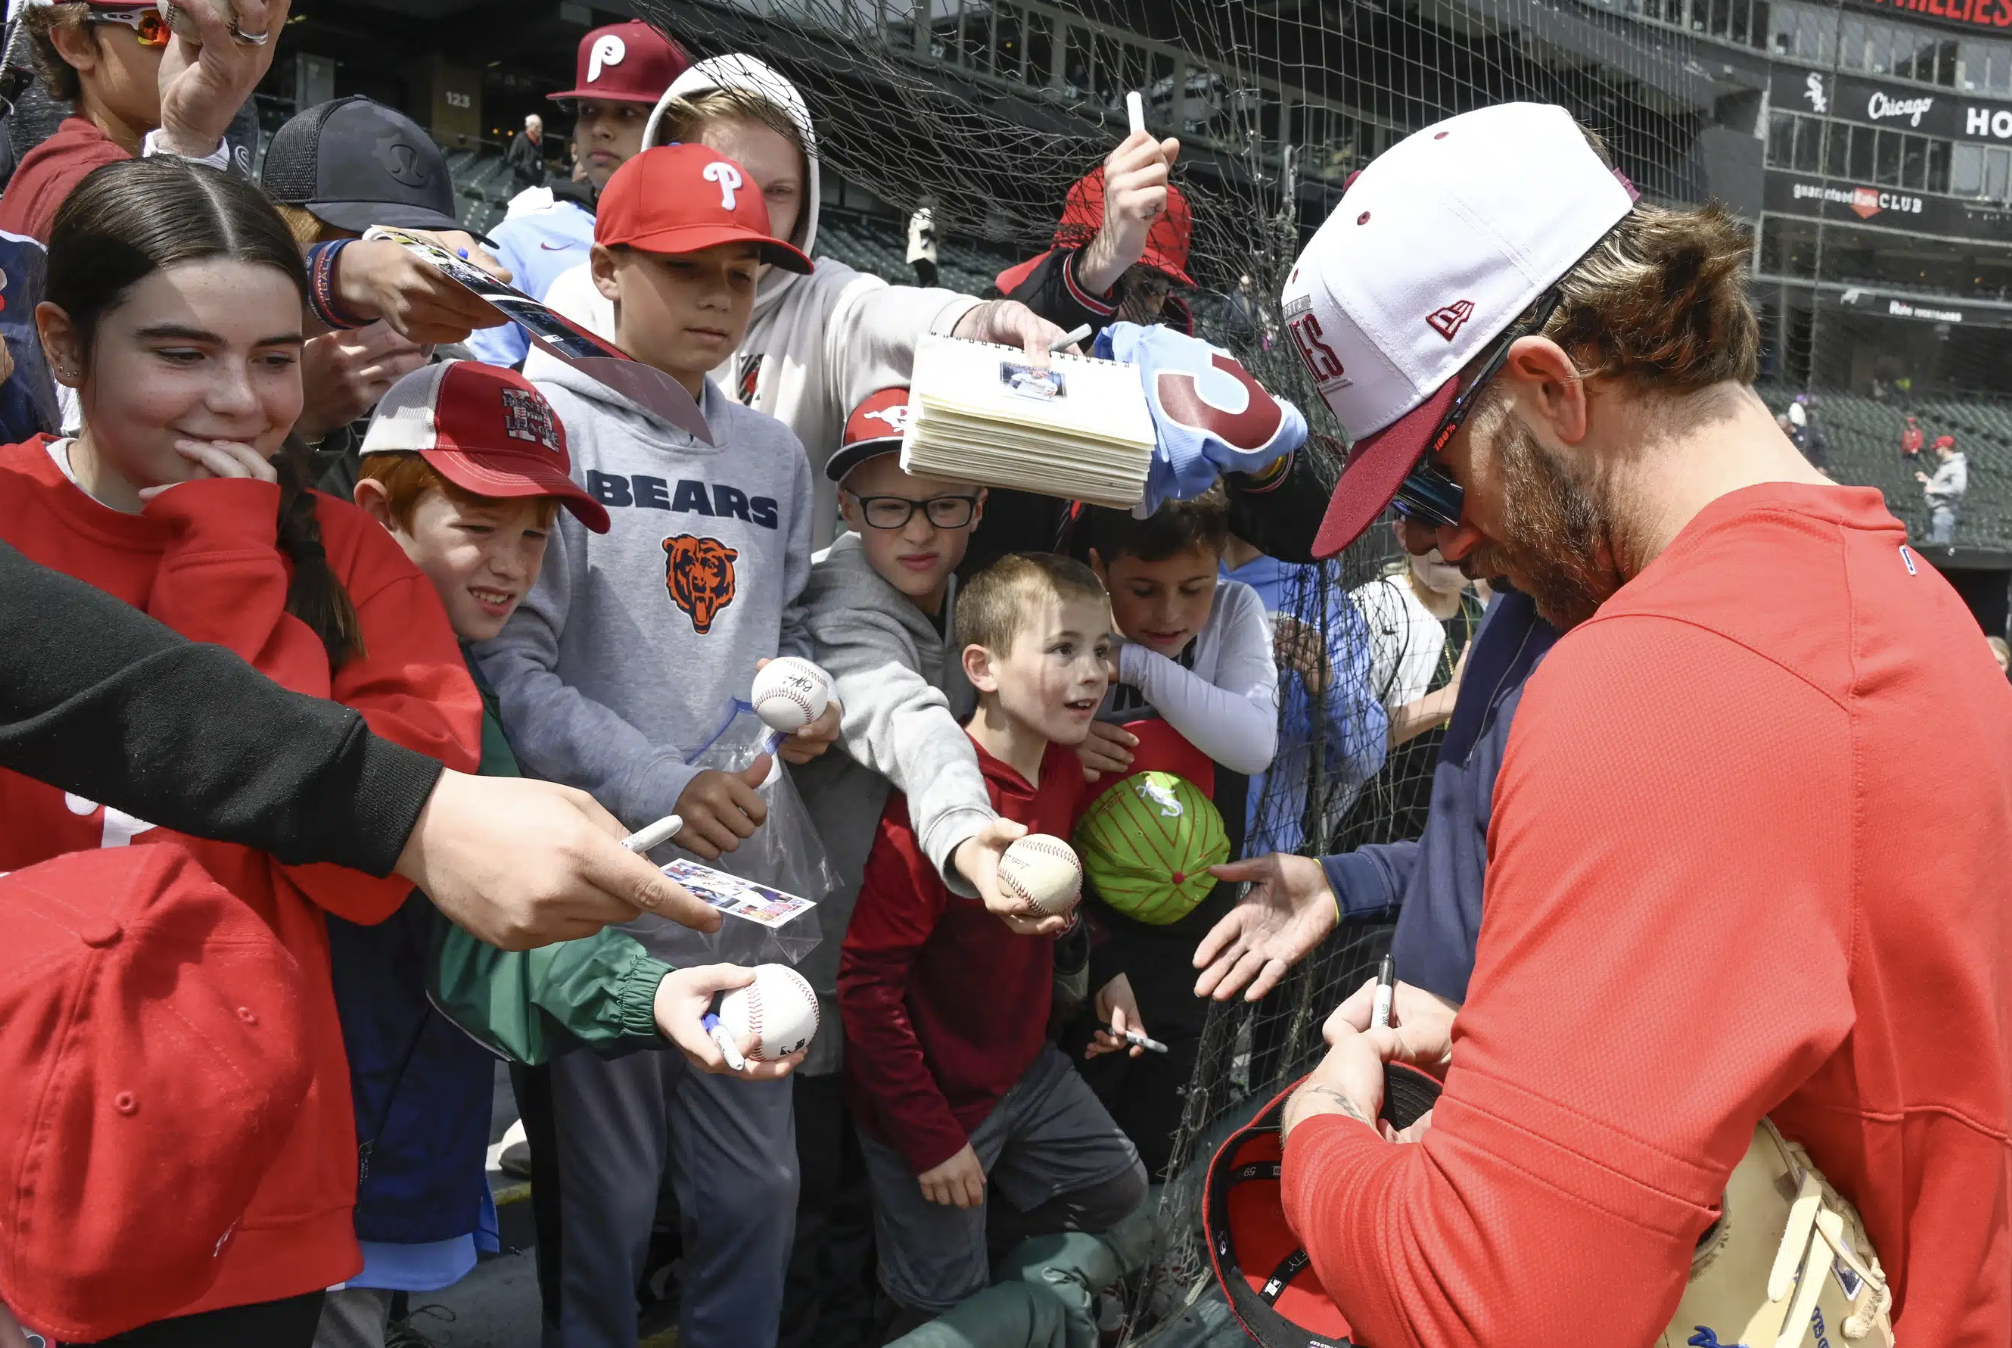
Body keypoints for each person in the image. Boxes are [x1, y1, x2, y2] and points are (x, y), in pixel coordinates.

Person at [1271, 102, 2009, 1344]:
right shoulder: (1906, 592)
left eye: (1431, 479)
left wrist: (1317, 1135)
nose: (1437, 536)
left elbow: (1486, 1312)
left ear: (1551, 388)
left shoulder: (1657, 675)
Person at [0, 155, 484, 1342]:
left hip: (246, 1185)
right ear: (62, 345)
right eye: (180, 353)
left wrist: (227, 569)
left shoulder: (351, 557)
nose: (237, 400)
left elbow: (368, 873)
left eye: (274, 359)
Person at [316, 358, 792, 1348]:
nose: (509, 562)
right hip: (308, 1144)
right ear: (379, 512)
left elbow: (476, 941)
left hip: (378, 1135)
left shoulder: (457, 683)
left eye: (535, 535)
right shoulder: (319, 663)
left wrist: (642, 991)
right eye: (476, 525)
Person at [474, 143, 836, 1348]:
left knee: (754, 1190)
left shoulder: (773, 454)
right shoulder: (541, 420)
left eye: (744, 275)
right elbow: (510, 670)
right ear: (608, 266)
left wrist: (813, 704)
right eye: (690, 271)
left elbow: (774, 650)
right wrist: (660, 780)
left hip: (741, 877)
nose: (723, 302)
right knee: (608, 1210)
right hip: (601, 876)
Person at [536, 53, 1070, 551]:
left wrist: (978, 319)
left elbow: (888, 318)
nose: (751, 214)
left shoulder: (826, 300)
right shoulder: (579, 296)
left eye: (779, 191)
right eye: (725, 178)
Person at [838, 553, 1148, 1336]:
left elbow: (1058, 910)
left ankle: (1030, 1303)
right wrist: (934, 1142)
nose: (1094, 672)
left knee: (1119, 1190)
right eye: (1063, 649)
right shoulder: (928, 814)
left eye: (1102, 649)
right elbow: (866, 989)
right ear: (980, 666)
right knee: (941, 1313)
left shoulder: (1063, 769)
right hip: (930, 1105)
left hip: (1024, 1072)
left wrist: (1102, 973)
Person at [789, 387, 1030, 1345]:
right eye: (888, 504)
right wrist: (970, 831)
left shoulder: (972, 597)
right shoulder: (843, 597)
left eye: (941, 502)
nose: (917, 528)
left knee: (869, 1194)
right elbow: (908, 716)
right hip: (815, 953)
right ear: (848, 510)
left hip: (901, 962)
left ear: (976, 504)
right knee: (814, 1205)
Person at [1198, 580, 1559, 1006]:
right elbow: (1465, 851)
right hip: (1356, 852)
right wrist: (1341, 880)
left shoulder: (1491, 610)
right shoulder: (1382, 605)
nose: (1440, 547)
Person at [1065, 490, 1275, 1177]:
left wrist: (1131, 662)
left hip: (1195, 916)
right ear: (1098, 568)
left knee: (1168, 1095)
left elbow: (1250, 744)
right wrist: (1064, 741)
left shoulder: (1236, 611)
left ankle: (1149, 1249)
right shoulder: (1061, 616)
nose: (1171, 614)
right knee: (1088, 1080)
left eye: (1195, 586)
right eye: (1143, 590)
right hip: (1084, 918)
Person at [468, 19, 688, 369]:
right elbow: (490, 379)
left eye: (627, 113)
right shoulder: (517, 242)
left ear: (673, 126)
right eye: (588, 111)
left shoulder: (712, 249)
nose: (600, 129)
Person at [258, 96, 462, 462]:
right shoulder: (231, 367)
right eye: (373, 246)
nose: (399, 272)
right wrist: (303, 424)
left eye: (425, 249)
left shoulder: (453, 377)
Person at [3, 0, 282, 241]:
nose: (205, 47)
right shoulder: (88, 185)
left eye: (221, 28)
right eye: (159, 27)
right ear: (76, 43)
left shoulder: (68, 164)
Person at [1219, 532, 1388, 857]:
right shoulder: (1175, 572)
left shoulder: (1323, 600)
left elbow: (1364, 761)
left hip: (1264, 859)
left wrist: (1325, 686)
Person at [1341, 520, 1483, 844]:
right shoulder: (1374, 607)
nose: (1443, 547)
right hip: (1373, 839)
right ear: (1401, 533)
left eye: (1458, 529)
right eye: (1429, 529)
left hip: (1450, 840)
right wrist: (1449, 698)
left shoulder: (1482, 616)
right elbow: (1351, 739)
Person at [994, 135, 1193, 337]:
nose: (1124, 311)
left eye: (1149, 291)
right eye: (1110, 283)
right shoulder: (977, 332)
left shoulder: (1172, 359)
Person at [1918, 432, 1966, 546]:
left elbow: (1958, 489)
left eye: (1938, 447)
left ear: (1944, 448)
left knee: (1939, 553)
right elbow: (1941, 486)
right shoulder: (1946, 465)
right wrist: (1928, 481)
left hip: (1944, 514)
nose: (1936, 450)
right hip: (1935, 513)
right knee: (1932, 552)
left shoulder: (1956, 465)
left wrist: (1934, 491)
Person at [506, 111, 547, 193]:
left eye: (541, 127)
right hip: (522, 185)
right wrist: (525, 168)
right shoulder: (521, 138)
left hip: (535, 185)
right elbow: (512, 159)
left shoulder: (538, 142)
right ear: (531, 127)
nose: (540, 130)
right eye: (538, 127)